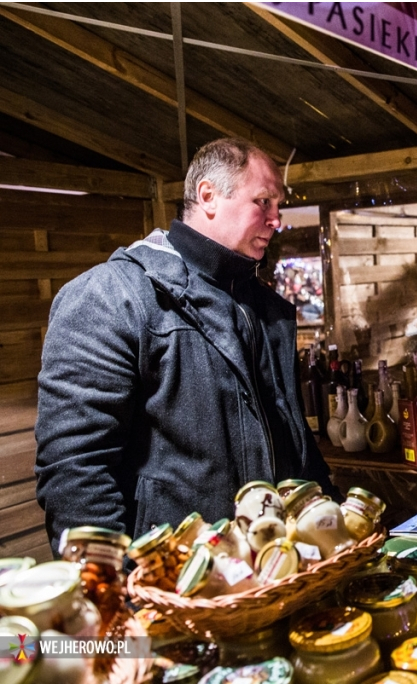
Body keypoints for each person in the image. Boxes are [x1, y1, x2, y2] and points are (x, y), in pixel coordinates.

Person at [36, 138, 339, 555]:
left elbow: (292, 438)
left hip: (270, 572)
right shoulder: (111, 297)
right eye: (264, 202)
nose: (276, 220)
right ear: (208, 196)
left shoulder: (259, 307)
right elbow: (75, 471)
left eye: (278, 206)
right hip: (174, 585)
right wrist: (112, 591)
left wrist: (331, 520)